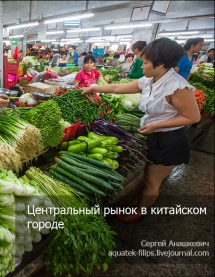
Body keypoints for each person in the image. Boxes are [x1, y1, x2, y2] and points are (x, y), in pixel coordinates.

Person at [82, 37, 200, 222]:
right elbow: (116, 87)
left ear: (160, 63)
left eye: (145, 62)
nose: (142, 66)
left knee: (152, 181)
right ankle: (138, 203)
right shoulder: (149, 80)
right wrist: (94, 87)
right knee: (148, 176)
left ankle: (139, 212)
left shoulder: (177, 86)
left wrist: (156, 125)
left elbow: (193, 117)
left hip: (171, 140)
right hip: (155, 135)